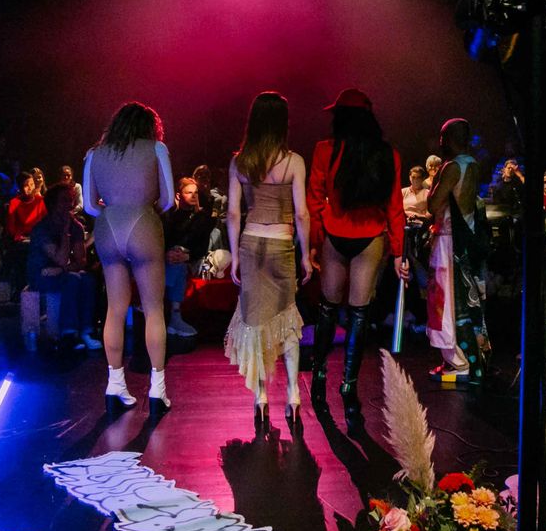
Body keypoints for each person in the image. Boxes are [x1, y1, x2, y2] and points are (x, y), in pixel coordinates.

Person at [307, 88, 407, 434]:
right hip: (370, 236)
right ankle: (348, 386)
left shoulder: (325, 149)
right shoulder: (388, 154)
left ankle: (319, 375)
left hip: (336, 234)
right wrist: (398, 251)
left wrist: (315, 242)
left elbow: (314, 198)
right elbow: (395, 207)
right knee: (358, 312)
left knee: (328, 308)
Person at [224, 92, 311, 430]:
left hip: (250, 242)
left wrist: (234, 256)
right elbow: (301, 214)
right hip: (281, 244)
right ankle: (293, 395)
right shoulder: (294, 162)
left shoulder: (240, 163)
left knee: (256, 322)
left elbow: (233, 213)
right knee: (287, 318)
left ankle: (260, 396)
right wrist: (307, 255)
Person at [84, 101, 175, 414]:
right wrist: (146, 211)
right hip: (143, 223)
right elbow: (167, 199)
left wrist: (115, 210)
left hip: (108, 226)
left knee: (115, 309)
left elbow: (89, 205)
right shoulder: (157, 148)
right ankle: (157, 388)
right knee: (153, 309)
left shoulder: (94, 153)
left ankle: (115, 384)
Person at [426, 118, 490, 382]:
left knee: (446, 304)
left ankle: (458, 363)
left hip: (448, 241)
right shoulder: (472, 164)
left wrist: (435, 181)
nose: (440, 142)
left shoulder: (451, 167)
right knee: (465, 302)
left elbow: (433, 205)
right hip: (465, 240)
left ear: (449, 139)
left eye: (443, 137)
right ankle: (470, 360)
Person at [27, 183, 100, 350]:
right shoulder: (42, 228)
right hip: (40, 274)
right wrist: (66, 233)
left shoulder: (76, 226)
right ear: (53, 204)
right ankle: (68, 333)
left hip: (62, 272)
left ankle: (86, 331)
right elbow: (60, 258)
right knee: (71, 280)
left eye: (71, 200)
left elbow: (81, 261)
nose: (70, 205)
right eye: (65, 200)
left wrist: (62, 270)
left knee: (88, 279)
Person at [163, 176, 215, 338]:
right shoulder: (169, 217)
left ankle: (160, 302)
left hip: (193, 259)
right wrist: (168, 253)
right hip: (171, 260)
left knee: (178, 265)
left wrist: (187, 256)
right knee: (176, 265)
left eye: (196, 193)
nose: (193, 196)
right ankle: (175, 316)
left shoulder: (202, 218)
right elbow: (163, 241)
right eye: (189, 192)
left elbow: (202, 247)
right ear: (179, 195)